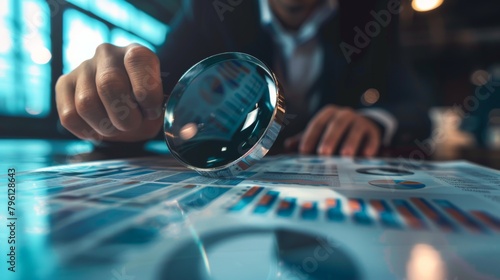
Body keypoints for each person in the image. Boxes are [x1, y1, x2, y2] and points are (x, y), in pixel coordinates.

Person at [55, 0, 432, 156]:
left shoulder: (372, 12)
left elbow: (416, 105)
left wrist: (374, 121)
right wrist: (120, 108)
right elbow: (158, 94)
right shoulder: (211, 9)